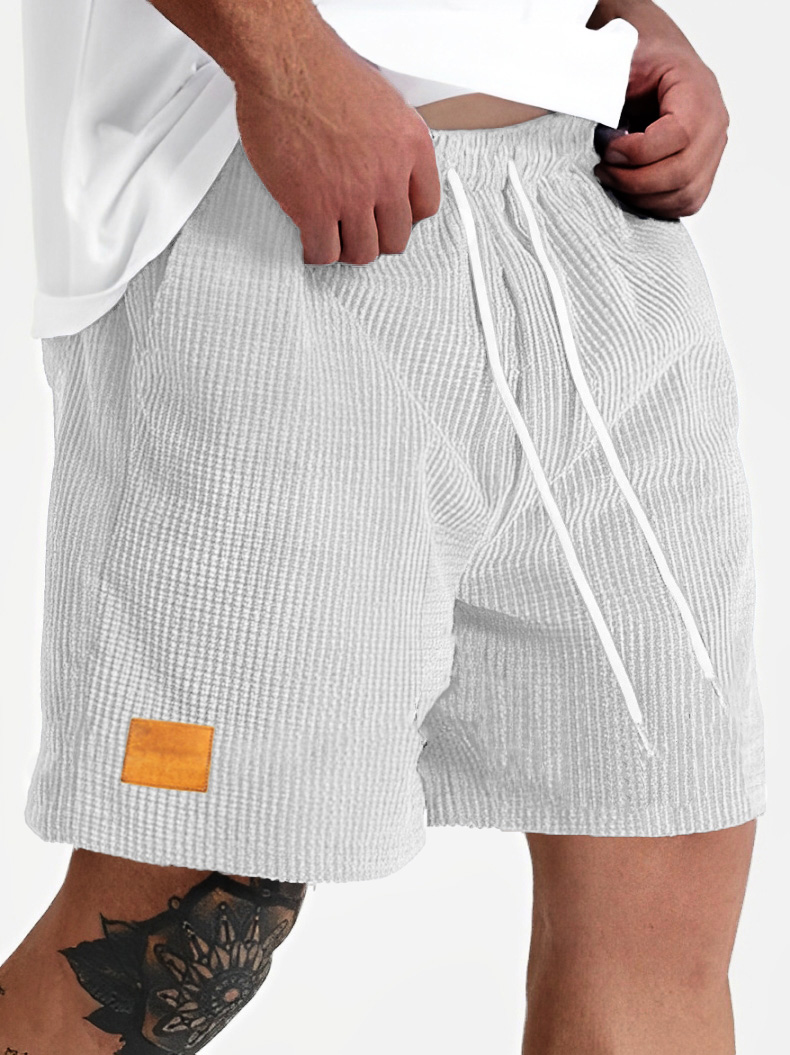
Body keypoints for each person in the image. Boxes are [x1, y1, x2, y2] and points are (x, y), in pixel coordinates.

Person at [1, 1, 765, 1052]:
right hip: (271, 199)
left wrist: (625, 17)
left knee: (663, 877)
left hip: (594, 206)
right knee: (189, 913)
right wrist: (287, 64)